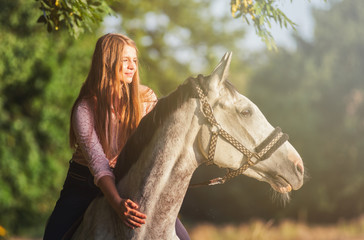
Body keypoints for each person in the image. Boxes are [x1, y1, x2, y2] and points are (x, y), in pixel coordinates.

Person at [43, 33, 190, 240]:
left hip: (129, 178)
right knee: (53, 237)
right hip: (84, 183)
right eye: (125, 60)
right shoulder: (84, 109)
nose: (132, 66)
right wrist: (117, 203)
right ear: (107, 62)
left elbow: (156, 150)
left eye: (135, 60)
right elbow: (98, 164)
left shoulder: (146, 100)